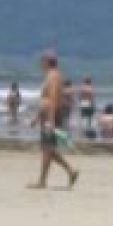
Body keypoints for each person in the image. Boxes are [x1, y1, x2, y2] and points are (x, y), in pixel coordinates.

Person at [29, 51, 79, 189]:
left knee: (47, 148)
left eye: (41, 60)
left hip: (50, 116)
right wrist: (37, 116)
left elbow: (52, 98)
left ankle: (48, 179)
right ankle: (68, 172)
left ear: (46, 61)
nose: (39, 63)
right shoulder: (52, 75)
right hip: (47, 115)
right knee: (47, 149)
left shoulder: (53, 76)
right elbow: (47, 99)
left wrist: (50, 119)